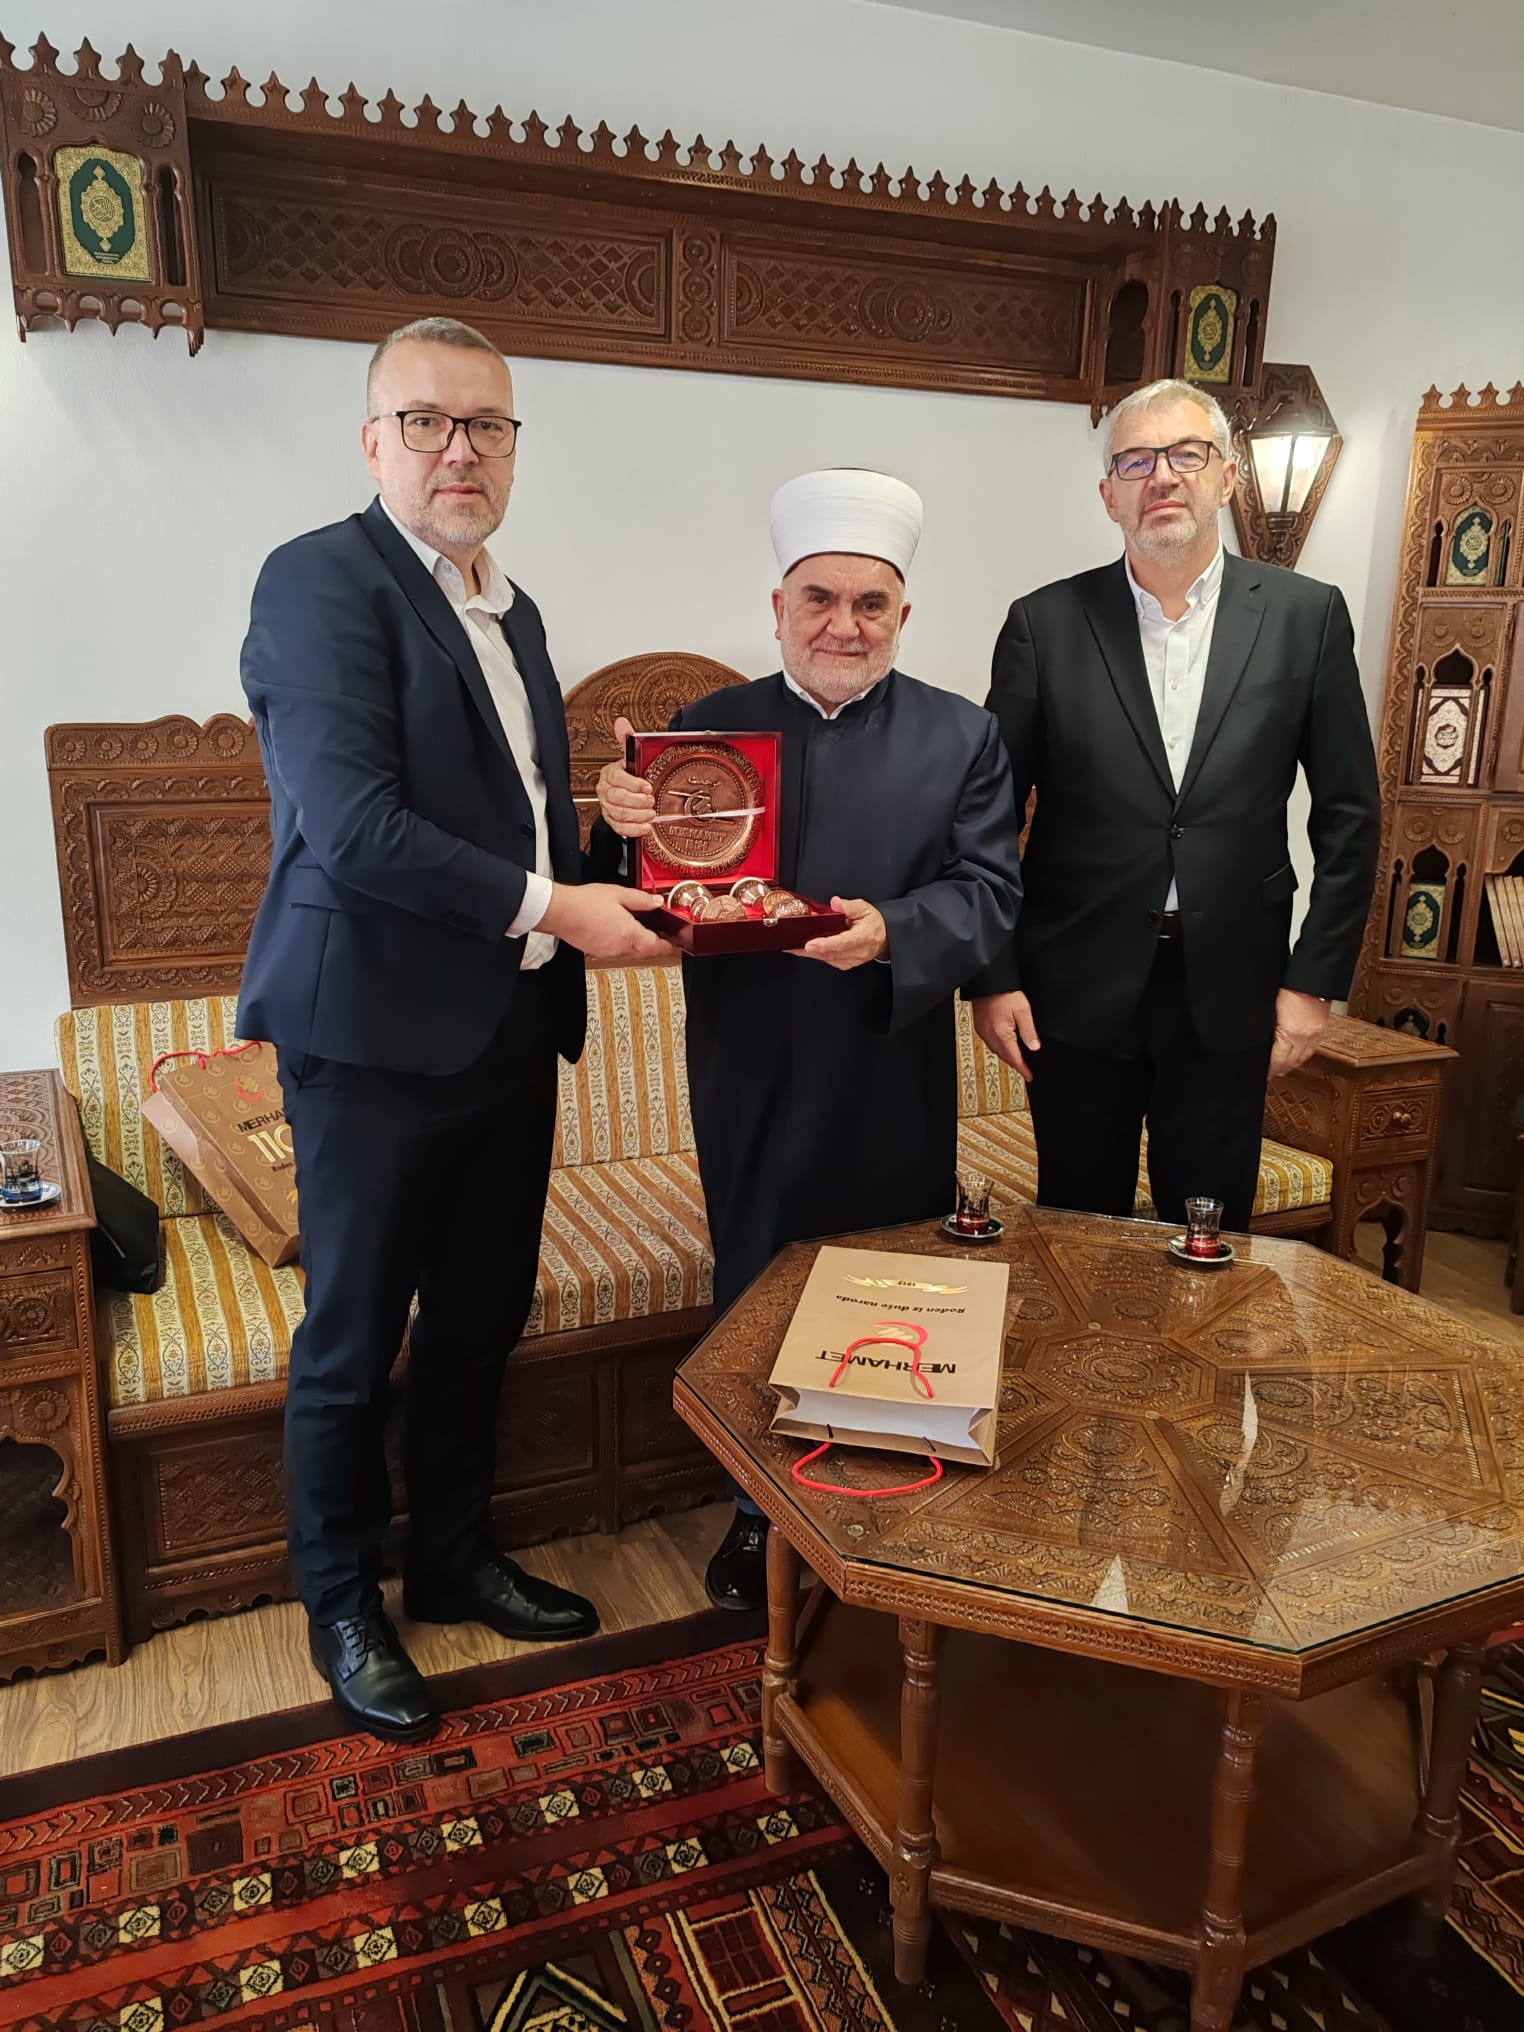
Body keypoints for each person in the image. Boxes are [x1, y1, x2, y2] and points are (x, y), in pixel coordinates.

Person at [238, 316, 669, 1741]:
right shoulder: (319, 581)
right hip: (369, 1035)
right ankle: (341, 1596)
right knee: (354, 1337)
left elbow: (515, 823)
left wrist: (610, 844)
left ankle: (455, 1552)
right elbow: (354, 827)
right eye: (427, 421)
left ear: (514, 447)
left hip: (508, 1021)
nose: (459, 449)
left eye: (486, 423)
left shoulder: (514, 610)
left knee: (482, 1316)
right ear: (376, 443)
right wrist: (563, 905)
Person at [596, 469, 1024, 1611]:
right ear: (778, 607)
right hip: (751, 1054)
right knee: (758, 1280)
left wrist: (894, 929)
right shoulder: (707, 730)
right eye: (820, 599)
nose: (845, 624)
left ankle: (882, 1501)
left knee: (891, 1282)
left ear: (903, 614)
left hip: (890, 1055)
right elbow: (641, 889)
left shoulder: (963, 734)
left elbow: (991, 892)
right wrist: (619, 819)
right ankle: (756, 1514)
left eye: (870, 603)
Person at [967, 377, 1381, 1235]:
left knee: (1210, 1237)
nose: (1162, 475)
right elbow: (987, 816)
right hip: (1074, 988)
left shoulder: (1307, 617)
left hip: (1233, 986)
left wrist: (1314, 983)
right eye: (1136, 461)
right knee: (1078, 1233)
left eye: (1187, 454)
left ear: (1226, 476)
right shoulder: (1044, 624)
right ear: (1109, 494)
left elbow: (1349, 815)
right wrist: (993, 979)